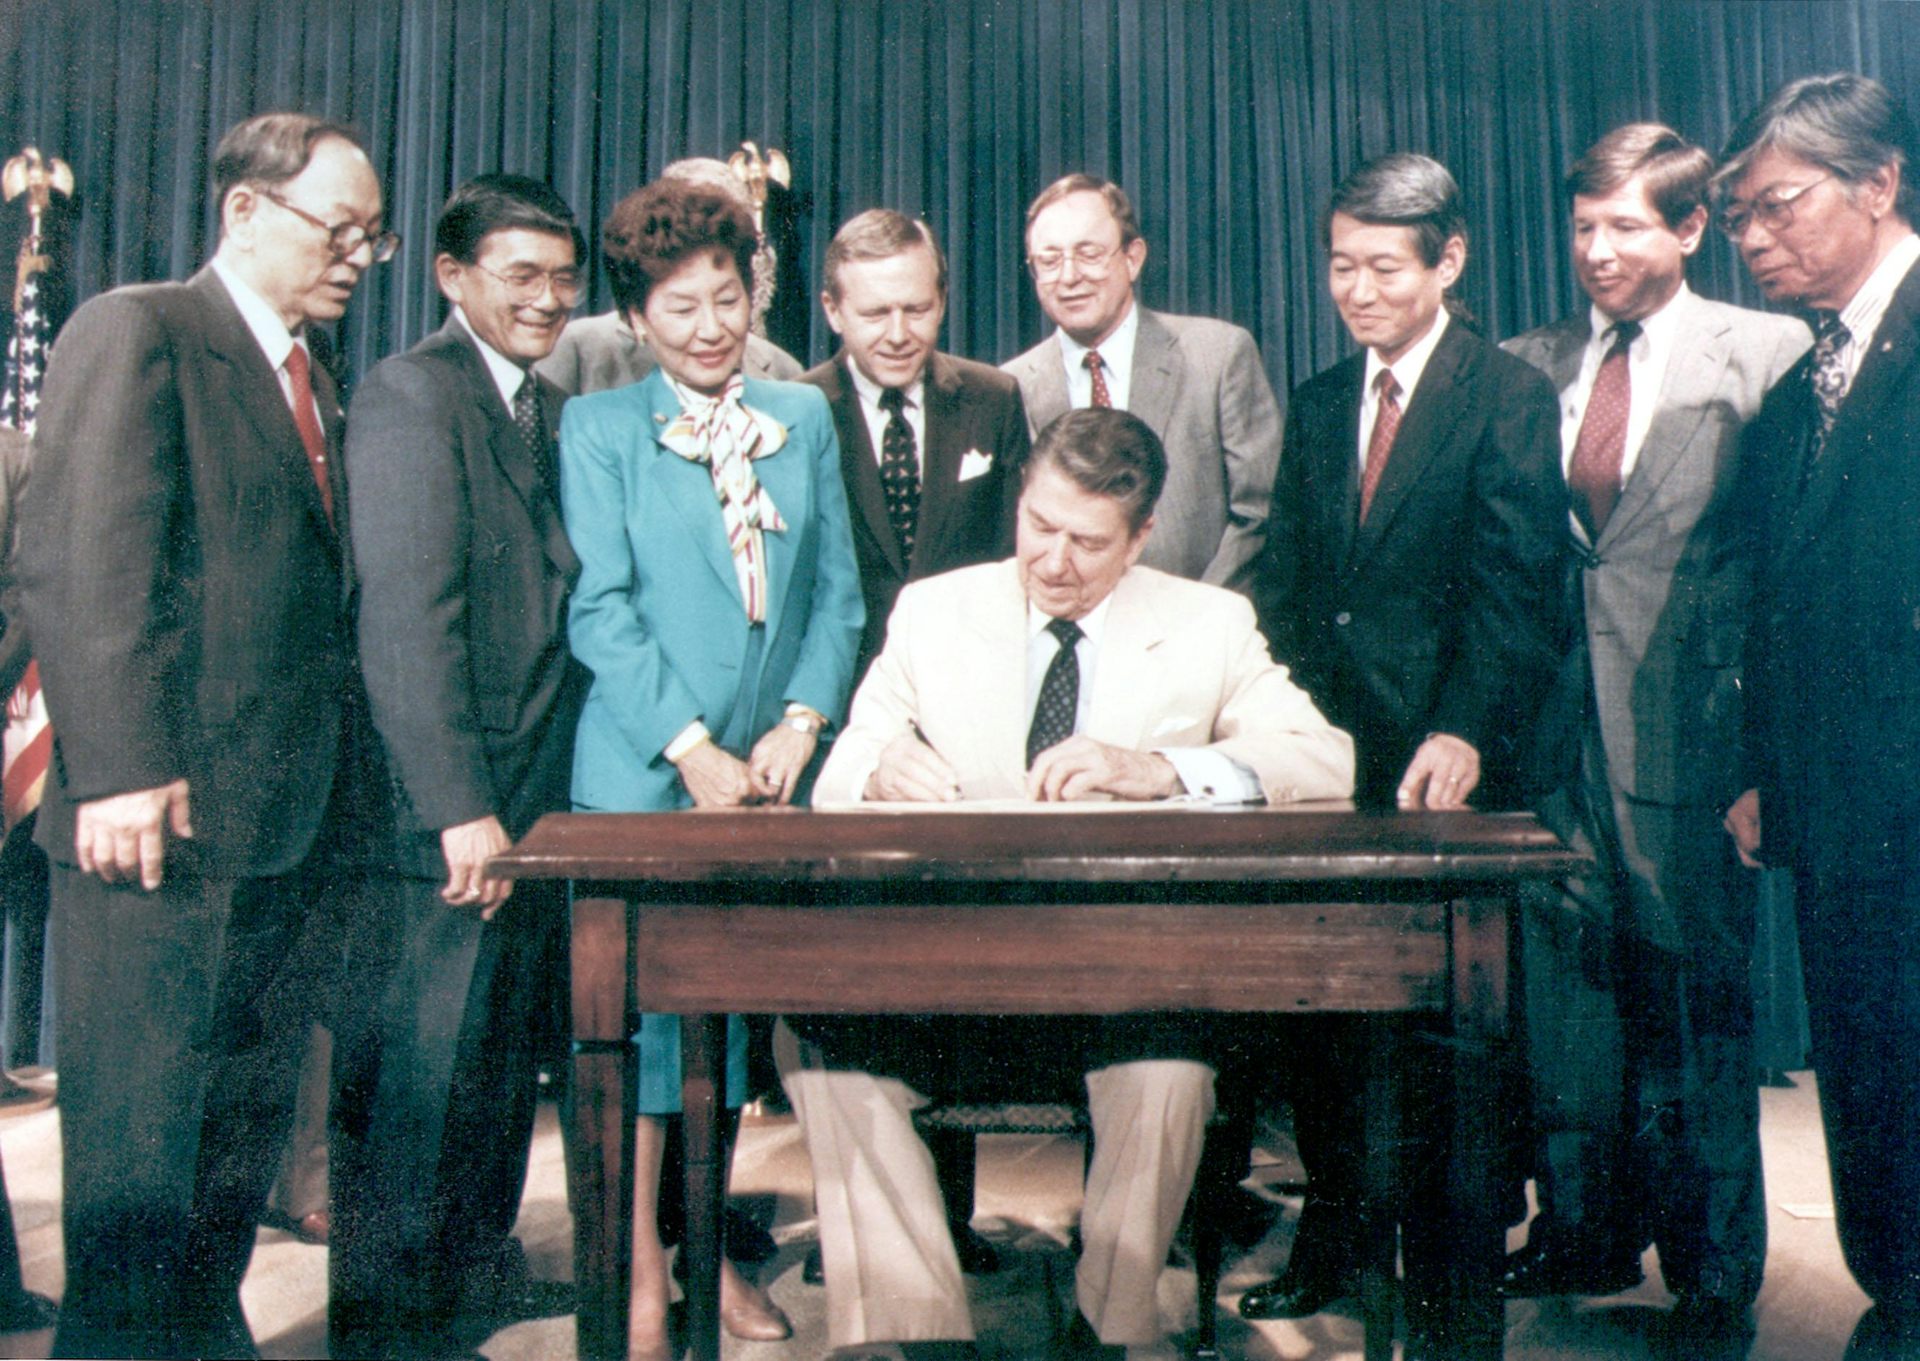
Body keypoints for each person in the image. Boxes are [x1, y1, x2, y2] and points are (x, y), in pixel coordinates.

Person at [795, 407, 1354, 1361]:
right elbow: (841, 767)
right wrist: (879, 764)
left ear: (1140, 539)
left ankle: (1107, 1328)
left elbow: (1324, 758)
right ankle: (921, 1333)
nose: (1053, 561)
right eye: (1039, 526)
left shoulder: (1208, 623)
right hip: (947, 986)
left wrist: (1166, 768)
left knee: (1170, 1073)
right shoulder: (934, 610)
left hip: (1122, 985)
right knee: (819, 1051)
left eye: (1087, 542)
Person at [14, 111, 391, 1359]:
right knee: (142, 1161)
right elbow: (80, 564)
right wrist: (118, 769)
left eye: (369, 238)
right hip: (156, 832)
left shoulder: (312, 379)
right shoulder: (141, 330)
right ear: (242, 209)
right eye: (337, 228)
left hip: (278, 837)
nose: (356, 253)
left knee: (228, 1148)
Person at [1241, 153, 1564, 1340]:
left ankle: (1441, 1271)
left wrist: (1467, 726)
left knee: (1444, 1039)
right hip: (1327, 763)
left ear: (1450, 259)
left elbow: (1517, 592)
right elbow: (1286, 584)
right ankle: (1331, 1237)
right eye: (1340, 264)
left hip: (1445, 762)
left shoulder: (1510, 393)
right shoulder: (1323, 399)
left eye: (1384, 265)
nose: (1358, 289)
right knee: (1322, 1023)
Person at [1501, 124, 1809, 1350]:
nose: (1596, 249)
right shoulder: (1532, 365)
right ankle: (1583, 1229)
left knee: (1696, 1004)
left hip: (1693, 735)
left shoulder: (1769, 354)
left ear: (1689, 229)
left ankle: (1716, 1261)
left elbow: (1789, 572)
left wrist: (1758, 753)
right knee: (1568, 1001)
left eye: (1625, 224)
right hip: (1553, 736)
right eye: (1581, 226)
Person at [558, 172, 863, 1359]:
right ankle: (635, 1265)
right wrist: (691, 750)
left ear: (757, 293)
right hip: (647, 777)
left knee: (729, 1037)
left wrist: (798, 723)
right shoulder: (598, 430)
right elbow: (602, 611)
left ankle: (707, 1254)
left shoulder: (807, 418)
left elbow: (837, 593)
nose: (708, 324)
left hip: (767, 784)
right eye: (678, 305)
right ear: (637, 318)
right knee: (640, 1043)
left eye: (726, 297)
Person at [332, 173, 588, 1358]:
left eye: (563, 275)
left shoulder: (536, 400)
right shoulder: (409, 397)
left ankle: (470, 1282)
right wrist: (459, 808)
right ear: (450, 276)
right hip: (446, 817)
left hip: (525, 805)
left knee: (488, 1073)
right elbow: (406, 621)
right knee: (420, 1090)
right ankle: (389, 1329)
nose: (549, 298)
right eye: (521, 274)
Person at [1715, 72, 1920, 1354]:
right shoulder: (1800, 388)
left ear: (1881, 184)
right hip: (1846, 814)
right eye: (1737, 216)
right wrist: (1763, 772)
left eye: (1775, 206)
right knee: (1872, 1067)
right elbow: (1779, 612)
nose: (1751, 237)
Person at [1001, 174, 1282, 594]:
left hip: (1202, 627)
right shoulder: (1012, 386)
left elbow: (1260, 512)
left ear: (1132, 258)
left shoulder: (1218, 355)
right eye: (1049, 260)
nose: (1069, 275)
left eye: (1089, 254)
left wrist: (1199, 619)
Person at [804, 207, 1028, 677]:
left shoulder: (993, 398)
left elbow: (1012, 557)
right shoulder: (800, 411)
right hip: (842, 686)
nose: (899, 335)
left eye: (916, 309)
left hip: (968, 675)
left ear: (942, 300)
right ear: (832, 310)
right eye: (875, 314)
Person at [536, 158, 802, 396]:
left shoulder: (782, 370)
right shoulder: (578, 350)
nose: (711, 330)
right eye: (683, 309)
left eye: (727, 301)